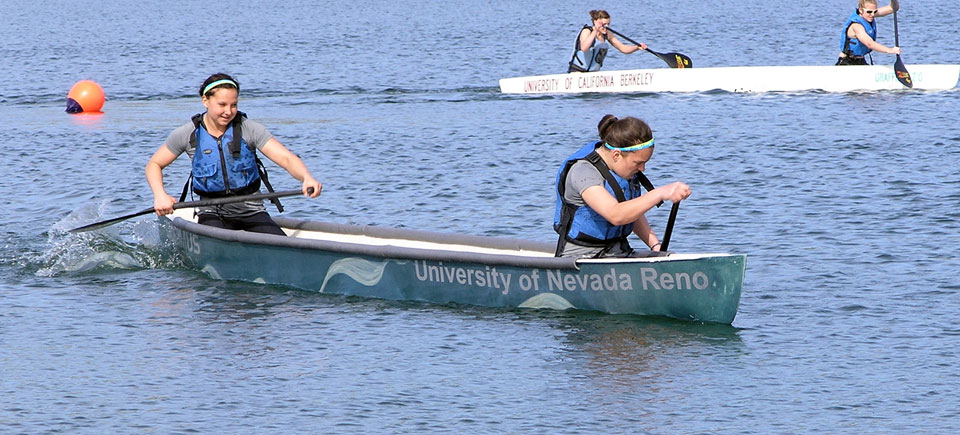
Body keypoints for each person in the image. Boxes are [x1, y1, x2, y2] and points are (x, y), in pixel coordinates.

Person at [145, 73, 322, 236]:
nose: (228, 111)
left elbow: (286, 158)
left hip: (251, 211)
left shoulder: (249, 129)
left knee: (284, 245)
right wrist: (160, 195)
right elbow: (154, 164)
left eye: (234, 105)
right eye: (222, 105)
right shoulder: (187, 134)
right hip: (212, 213)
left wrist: (306, 177)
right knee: (220, 237)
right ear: (205, 100)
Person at [554, 115, 690, 258]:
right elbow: (616, 215)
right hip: (580, 257)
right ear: (617, 155)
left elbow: (631, 211)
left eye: (645, 163)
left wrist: (655, 246)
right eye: (638, 163)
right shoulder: (583, 172)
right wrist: (660, 193)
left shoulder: (623, 170)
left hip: (618, 251)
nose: (643, 169)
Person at [568, 10, 647, 73]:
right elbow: (584, 48)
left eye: (608, 24)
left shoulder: (607, 34)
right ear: (595, 22)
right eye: (604, 24)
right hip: (577, 72)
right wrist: (595, 30)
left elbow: (623, 48)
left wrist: (636, 47)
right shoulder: (587, 31)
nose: (606, 27)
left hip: (593, 74)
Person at [837, 0, 901, 65]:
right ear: (860, 10)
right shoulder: (856, 26)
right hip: (847, 62)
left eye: (875, 11)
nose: (872, 15)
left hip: (860, 60)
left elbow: (893, 8)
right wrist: (890, 50)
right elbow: (869, 44)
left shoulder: (867, 14)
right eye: (869, 12)